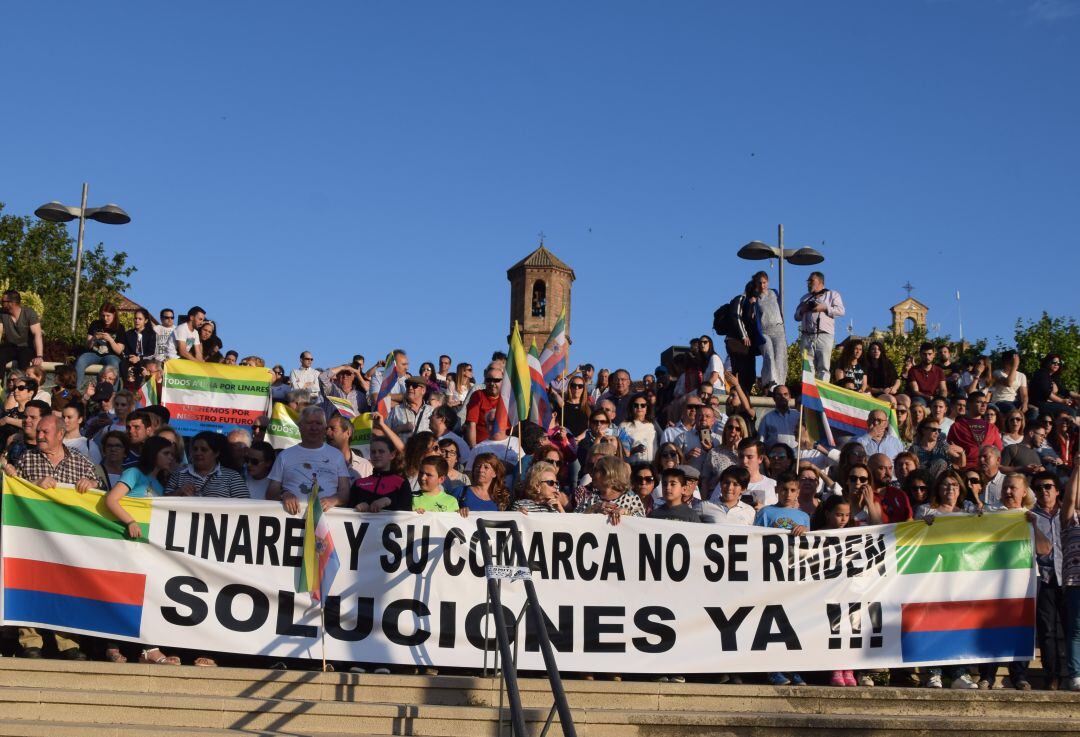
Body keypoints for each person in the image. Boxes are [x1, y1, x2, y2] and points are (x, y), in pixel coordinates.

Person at [267, 406, 350, 513]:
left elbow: (345, 493)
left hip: (326, 524)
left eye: (318, 423)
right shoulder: (284, 456)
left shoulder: (337, 456)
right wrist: (284, 495)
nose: (314, 428)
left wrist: (333, 500)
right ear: (300, 426)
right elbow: (270, 492)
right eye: (309, 423)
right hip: (291, 521)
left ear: (325, 427)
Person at [165, 432, 249, 498]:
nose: (198, 453)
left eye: (204, 450)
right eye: (195, 449)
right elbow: (162, 504)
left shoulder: (233, 477)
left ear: (216, 453)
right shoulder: (178, 474)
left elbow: (245, 507)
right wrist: (178, 492)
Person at [794, 271, 845, 381]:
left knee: (824, 366)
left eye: (811, 281)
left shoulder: (832, 294)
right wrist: (802, 310)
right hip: (806, 336)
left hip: (824, 335)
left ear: (820, 282)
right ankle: (808, 394)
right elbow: (796, 316)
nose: (808, 283)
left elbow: (841, 311)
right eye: (808, 281)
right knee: (807, 367)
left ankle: (822, 395)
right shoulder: (804, 298)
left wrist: (825, 308)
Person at [1059, 458, 1080, 692]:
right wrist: (1077, 469)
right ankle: (1076, 674)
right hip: (1076, 582)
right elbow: (1070, 500)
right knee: (1076, 630)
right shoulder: (1070, 520)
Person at [349, 435, 411, 512]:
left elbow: (407, 513)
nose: (376, 455)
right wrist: (356, 507)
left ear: (392, 455)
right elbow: (346, 511)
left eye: (381, 451)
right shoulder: (359, 483)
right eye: (373, 452)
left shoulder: (401, 482)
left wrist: (389, 502)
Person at [74, 302, 124, 390]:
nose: (105, 318)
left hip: (111, 355)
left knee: (114, 364)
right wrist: (94, 338)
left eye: (108, 316)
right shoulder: (95, 324)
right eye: (103, 316)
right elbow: (88, 346)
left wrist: (110, 339)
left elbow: (119, 350)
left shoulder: (120, 328)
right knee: (81, 360)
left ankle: (112, 394)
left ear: (114, 314)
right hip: (94, 354)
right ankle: (75, 390)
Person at [947, 392, 1003, 471]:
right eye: (979, 402)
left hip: (987, 469)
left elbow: (998, 451)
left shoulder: (992, 427)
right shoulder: (957, 426)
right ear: (969, 404)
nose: (984, 405)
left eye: (985, 403)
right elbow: (950, 450)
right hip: (965, 469)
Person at [0, 290, 44, 383]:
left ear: (12, 303)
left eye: (3, 301)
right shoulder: (2, 314)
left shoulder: (29, 313)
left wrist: (39, 356)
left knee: (24, 361)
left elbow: (37, 334)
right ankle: (0, 386)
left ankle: (22, 386)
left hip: (26, 348)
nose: (1, 303)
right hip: (10, 347)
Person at [464, 366, 504, 447]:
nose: (492, 384)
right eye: (488, 380)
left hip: (503, 447)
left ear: (503, 382)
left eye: (496, 380)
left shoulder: (507, 398)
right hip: (482, 447)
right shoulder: (478, 395)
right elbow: (471, 425)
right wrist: (474, 449)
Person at [326, 413, 373, 479]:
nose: (327, 433)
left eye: (333, 428)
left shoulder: (365, 466)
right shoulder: (321, 465)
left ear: (348, 433)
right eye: (327, 429)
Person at [388, 375, 433, 442]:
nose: (410, 388)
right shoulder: (396, 410)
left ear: (423, 390)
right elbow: (386, 434)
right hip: (402, 451)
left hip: (425, 451)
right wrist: (401, 428)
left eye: (414, 385)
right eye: (408, 385)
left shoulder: (432, 411)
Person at [620, 392, 658, 463]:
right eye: (636, 405)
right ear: (632, 407)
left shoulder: (652, 424)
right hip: (632, 465)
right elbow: (621, 453)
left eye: (643, 405)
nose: (639, 407)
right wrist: (635, 450)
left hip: (651, 465)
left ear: (647, 408)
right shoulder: (624, 426)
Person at [758, 385, 798, 451]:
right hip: (776, 458)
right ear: (774, 398)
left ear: (789, 397)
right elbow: (761, 442)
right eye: (779, 395)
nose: (783, 397)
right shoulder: (767, 418)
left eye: (785, 394)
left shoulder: (798, 415)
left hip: (797, 455)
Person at [991, 350, 1029, 415]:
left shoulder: (1021, 376)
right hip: (1000, 401)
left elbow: (1024, 394)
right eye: (1014, 361)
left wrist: (1024, 404)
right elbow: (1008, 383)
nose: (1017, 362)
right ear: (1006, 361)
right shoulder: (997, 373)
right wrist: (1014, 366)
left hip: (1013, 401)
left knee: (1034, 410)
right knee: (1013, 410)